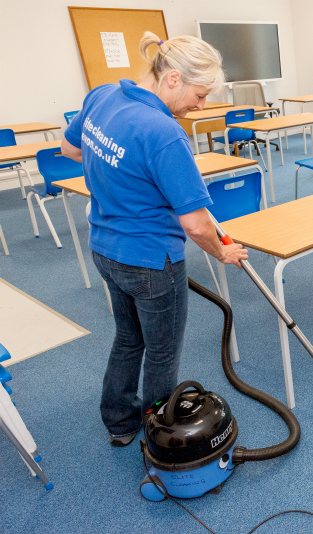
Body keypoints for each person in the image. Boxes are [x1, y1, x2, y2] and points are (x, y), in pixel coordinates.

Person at [61, 32, 248, 447]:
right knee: (162, 352)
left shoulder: (101, 95)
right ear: (173, 79)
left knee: (129, 338)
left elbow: (70, 149)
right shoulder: (164, 132)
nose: (200, 106)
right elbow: (198, 225)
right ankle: (161, 436)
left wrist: (127, 178)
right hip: (151, 261)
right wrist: (222, 252)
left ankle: (119, 422)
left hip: (105, 249)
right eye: (199, 95)